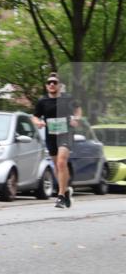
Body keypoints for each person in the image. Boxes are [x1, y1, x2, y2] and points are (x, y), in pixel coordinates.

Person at [32, 72, 80, 208]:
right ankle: (65, 191)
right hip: (51, 136)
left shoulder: (67, 98)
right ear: (47, 86)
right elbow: (34, 116)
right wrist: (38, 122)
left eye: (54, 82)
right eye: (49, 82)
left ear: (59, 85)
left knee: (61, 162)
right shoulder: (42, 101)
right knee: (57, 167)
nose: (52, 84)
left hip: (65, 134)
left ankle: (59, 197)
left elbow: (78, 110)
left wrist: (76, 119)